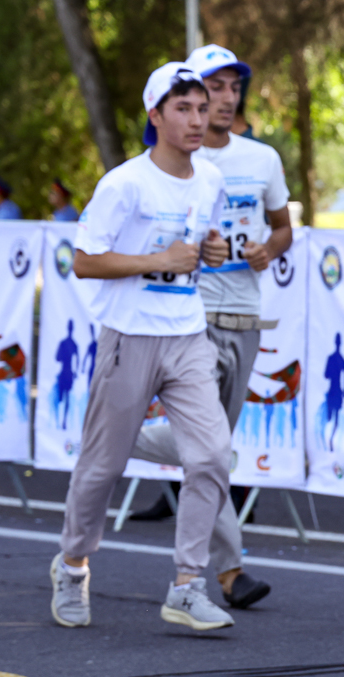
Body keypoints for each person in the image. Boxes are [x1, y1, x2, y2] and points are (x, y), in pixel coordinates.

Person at [48, 62, 234, 632]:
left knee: (212, 455)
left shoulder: (210, 179)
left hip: (186, 333)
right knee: (101, 466)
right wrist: (160, 260)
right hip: (129, 336)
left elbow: (199, 245)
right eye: (183, 109)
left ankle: (186, 584)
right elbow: (84, 260)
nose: (197, 119)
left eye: (202, 108)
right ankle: (73, 563)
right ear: (155, 117)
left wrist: (212, 250)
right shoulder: (126, 182)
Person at [125, 44, 293, 611]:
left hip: (245, 317)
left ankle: (114, 438)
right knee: (212, 449)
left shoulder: (262, 159)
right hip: (189, 318)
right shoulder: (173, 167)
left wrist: (269, 248)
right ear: (185, 101)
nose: (223, 99)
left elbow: (282, 227)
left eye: (231, 88)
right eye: (211, 89)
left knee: (210, 449)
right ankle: (229, 570)